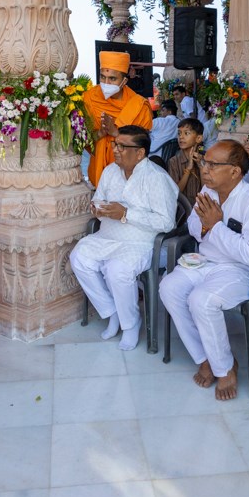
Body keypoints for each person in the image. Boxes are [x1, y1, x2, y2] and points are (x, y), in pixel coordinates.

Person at [160, 140, 249, 401]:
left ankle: (225, 369)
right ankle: (205, 357)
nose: (205, 170)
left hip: (240, 270)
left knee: (202, 300)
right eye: (204, 163)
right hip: (207, 261)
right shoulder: (208, 192)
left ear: (235, 171)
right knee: (168, 287)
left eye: (213, 164)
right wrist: (207, 227)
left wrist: (216, 227)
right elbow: (191, 227)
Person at [71, 124, 179, 350]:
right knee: (79, 257)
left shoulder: (156, 178)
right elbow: (99, 197)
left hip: (140, 242)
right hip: (106, 235)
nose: (115, 149)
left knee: (117, 270)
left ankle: (130, 324)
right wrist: (97, 208)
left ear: (140, 153)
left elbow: (166, 222)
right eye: (115, 144)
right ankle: (112, 312)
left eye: (122, 146)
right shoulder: (110, 171)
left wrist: (127, 214)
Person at [83, 51, 153, 187]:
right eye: (103, 77)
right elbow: (84, 141)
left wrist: (115, 132)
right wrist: (101, 133)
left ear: (124, 81)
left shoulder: (138, 104)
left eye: (112, 79)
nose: (106, 83)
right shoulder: (89, 99)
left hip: (130, 175)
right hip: (98, 170)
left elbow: (143, 145)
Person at [168, 117, 204, 202]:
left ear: (198, 138)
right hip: (183, 209)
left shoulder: (205, 159)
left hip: (200, 207)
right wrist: (188, 169)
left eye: (186, 133)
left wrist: (201, 166)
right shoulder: (174, 161)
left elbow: (207, 189)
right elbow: (175, 192)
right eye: (179, 133)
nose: (181, 137)